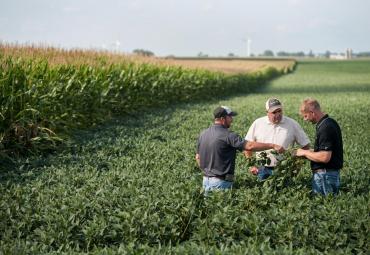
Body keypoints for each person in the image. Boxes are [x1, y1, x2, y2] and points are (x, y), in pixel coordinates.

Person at [196, 105, 284, 193]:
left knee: (210, 205)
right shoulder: (228, 135)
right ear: (222, 119)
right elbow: (249, 146)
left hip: (205, 181)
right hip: (221, 182)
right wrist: (272, 145)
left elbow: (198, 157)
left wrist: (208, 172)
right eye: (230, 117)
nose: (232, 120)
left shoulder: (203, 134)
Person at [244, 98, 310, 180]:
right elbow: (247, 145)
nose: (278, 114)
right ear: (267, 112)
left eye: (279, 111)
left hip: (285, 168)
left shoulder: (292, 124)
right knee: (265, 191)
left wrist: (297, 165)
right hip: (262, 169)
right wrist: (251, 165)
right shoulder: (258, 123)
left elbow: (306, 145)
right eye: (274, 112)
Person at [296, 98, 343, 196]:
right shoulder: (328, 122)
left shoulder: (326, 127)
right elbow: (322, 151)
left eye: (305, 116)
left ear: (312, 112)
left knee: (326, 205)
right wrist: (305, 152)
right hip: (327, 175)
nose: (305, 119)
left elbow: (324, 157)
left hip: (325, 176)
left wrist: (304, 152)